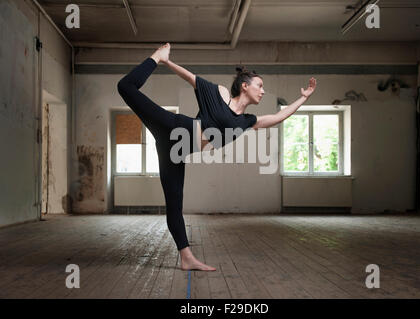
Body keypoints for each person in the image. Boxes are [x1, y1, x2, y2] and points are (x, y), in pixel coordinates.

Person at [117, 43, 317, 271]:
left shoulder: (247, 121)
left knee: (174, 205)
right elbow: (191, 78)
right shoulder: (221, 93)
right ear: (244, 85)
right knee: (126, 87)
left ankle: (186, 258)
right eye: (259, 86)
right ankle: (155, 57)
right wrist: (165, 60)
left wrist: (304, 98)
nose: (263, 91)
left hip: (175, 152)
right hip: (172, 127)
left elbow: (279, 116)